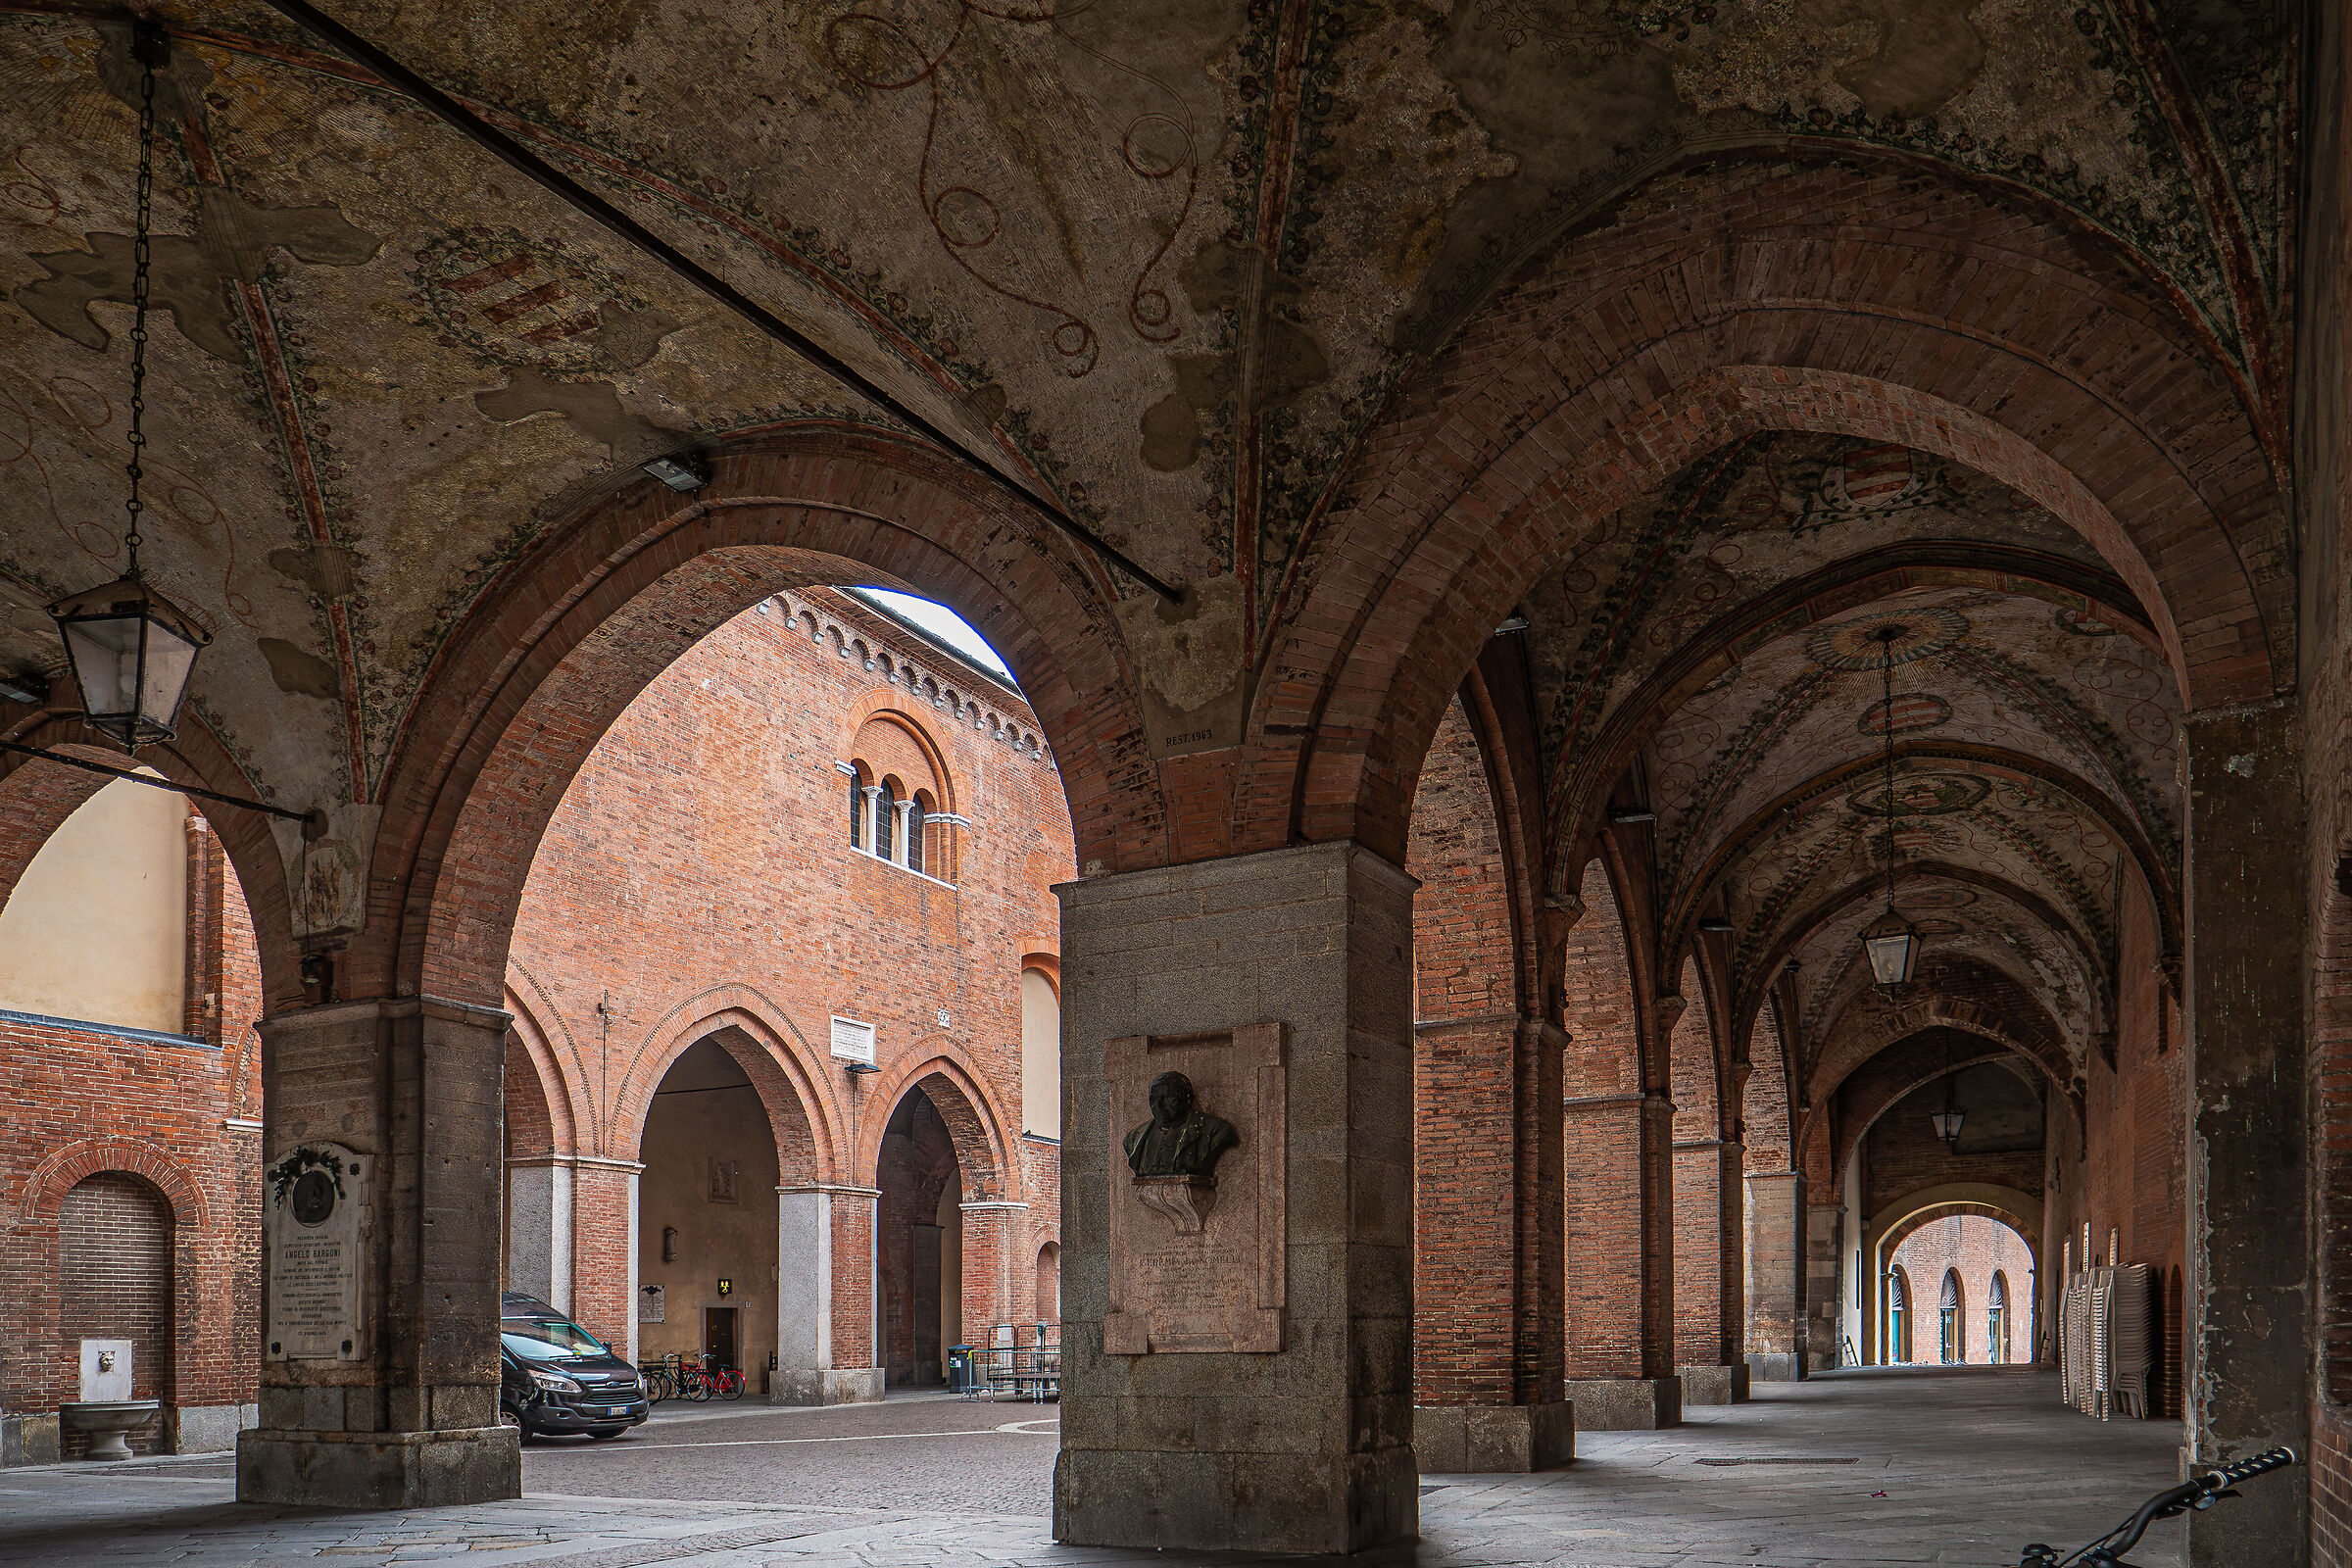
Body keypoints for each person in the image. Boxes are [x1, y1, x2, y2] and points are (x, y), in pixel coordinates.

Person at [1123, 1070, 1240, 1180]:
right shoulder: (1134, 1138)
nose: (1158, 1105)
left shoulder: (1216, 1130)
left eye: (1168, 1098)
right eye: (1153, 1098)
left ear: (1187, 1099)